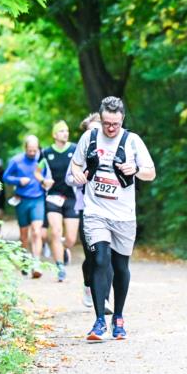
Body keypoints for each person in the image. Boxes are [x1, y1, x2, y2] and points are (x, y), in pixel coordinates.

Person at [69, 96, 156, 342]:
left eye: (115, 124)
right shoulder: (90, 138)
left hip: (124, 216)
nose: (110, 128)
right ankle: (99, 321)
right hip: (96, 212)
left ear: (122, 119)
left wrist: (135, 170)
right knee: (99, 259)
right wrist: (79, 176)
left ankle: (118, 318)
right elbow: (76, 166)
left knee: (120, 267)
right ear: (101, 118)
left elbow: (151, 172)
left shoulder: (133, 141)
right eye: (107, 123)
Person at [66, 113, 112, 314]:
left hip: (111, 210)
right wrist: (79, 178)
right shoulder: (80, 152)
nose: (94, 133)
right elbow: (68, 178)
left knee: (107, 256)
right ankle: (88, 285)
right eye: (90, 130)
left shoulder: (113, 149)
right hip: (86, 209)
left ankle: (105, 298)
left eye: (97, 129)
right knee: (93, 257)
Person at [3, 135, 50, 278]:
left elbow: (47, 177)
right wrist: (18, 180)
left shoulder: (41, 160)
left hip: (38, 199)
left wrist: (47, 182)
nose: (32, 153)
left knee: (36, 231)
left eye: (35, 150)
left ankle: (36, 264)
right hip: (22, 200)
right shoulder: (16, 160)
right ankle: (25, 261)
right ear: (25, 148)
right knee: (24, 235)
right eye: (30, 150)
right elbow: (5, 177)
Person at [40, 120, 79, 282]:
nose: (66, 133)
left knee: (70, 239)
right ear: (55, 135)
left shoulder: (75, 149)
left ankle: (63, 250)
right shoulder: (46, 152)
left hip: (72, 197)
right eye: (62, 131)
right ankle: (60, 268)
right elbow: (36, 171)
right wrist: (43, 180)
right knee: (55, 232)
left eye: (67, 131)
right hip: (53, 196)